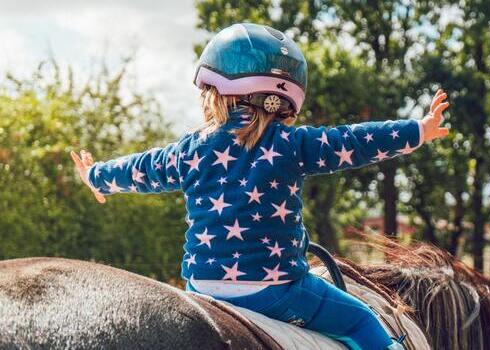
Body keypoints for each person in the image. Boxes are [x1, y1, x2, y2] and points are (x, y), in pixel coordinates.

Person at [71, 22, 449, 350]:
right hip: (276, 290)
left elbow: (141, 168)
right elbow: (354, 141)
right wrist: (419, 129)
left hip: (202, 288)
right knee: (362, 322)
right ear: (284, 99)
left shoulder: (188, 151)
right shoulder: (292, 145)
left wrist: (97, 176)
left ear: (213, 93)